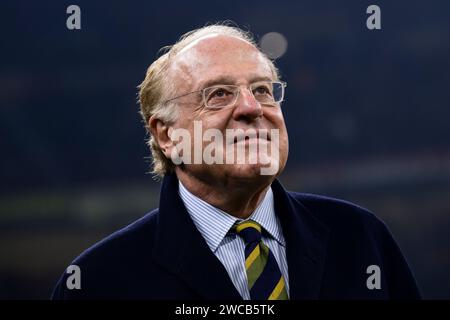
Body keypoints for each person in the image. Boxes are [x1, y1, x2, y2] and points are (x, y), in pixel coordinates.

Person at [51, 24, 420, 300]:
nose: (251, 107)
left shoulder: (360, 238)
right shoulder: (98, 281)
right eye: (219, 94)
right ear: (167, 136)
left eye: (262, 89)